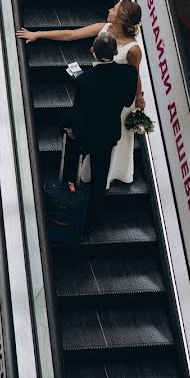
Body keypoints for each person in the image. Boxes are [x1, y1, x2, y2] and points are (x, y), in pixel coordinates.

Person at [17, 0, 144, 187]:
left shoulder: (133, 49)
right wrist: (38, 34)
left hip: (117, 101)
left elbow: (135, 75)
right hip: (98, 94)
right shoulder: (104, 28)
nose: (109, 8)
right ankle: (96, 175)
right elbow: (70, 34)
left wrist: (139, 98)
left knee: (115, 138)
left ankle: (113, 173)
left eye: (114, 9)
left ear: (120, 20)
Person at [59, 32, 137, 233]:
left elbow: (79, 111)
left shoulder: (86, 80)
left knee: (71, 159)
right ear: (116, 51)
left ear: (93, 51)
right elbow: (128, 101)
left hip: (85, 133)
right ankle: (94, 219)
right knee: (100, 176)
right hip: (109, 132)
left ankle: (67, 196)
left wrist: (73, 131)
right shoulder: (128, 73)